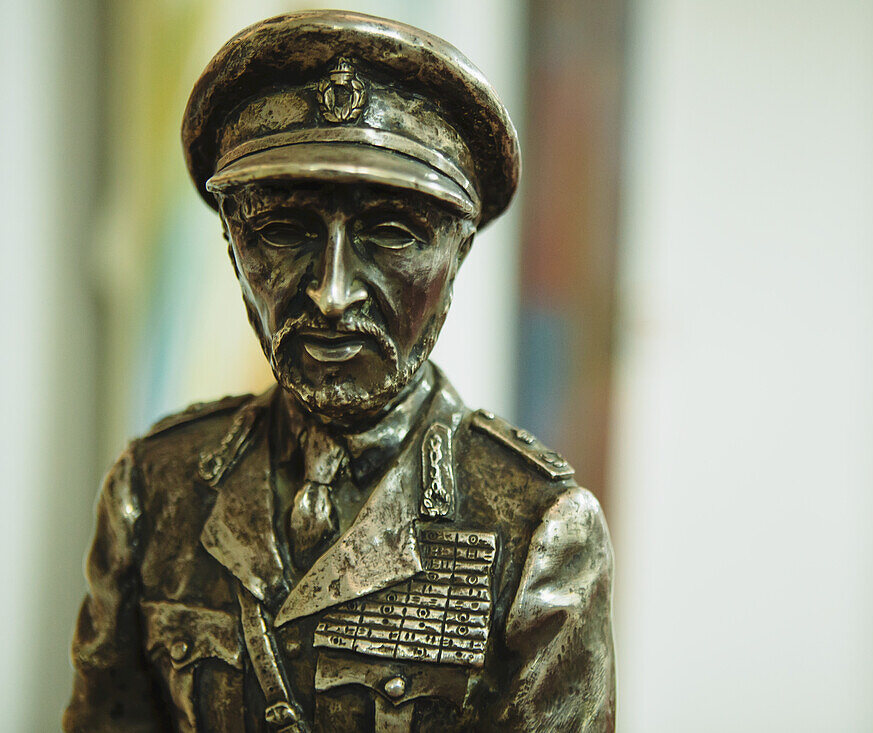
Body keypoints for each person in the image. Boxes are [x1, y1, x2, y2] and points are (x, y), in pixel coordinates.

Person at [64, 10, 614, 732]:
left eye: (390, 235)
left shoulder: (538, 528)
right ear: (234, 248)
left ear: (456, 255)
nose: (331, 293)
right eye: (282, 231)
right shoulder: (153, 491)